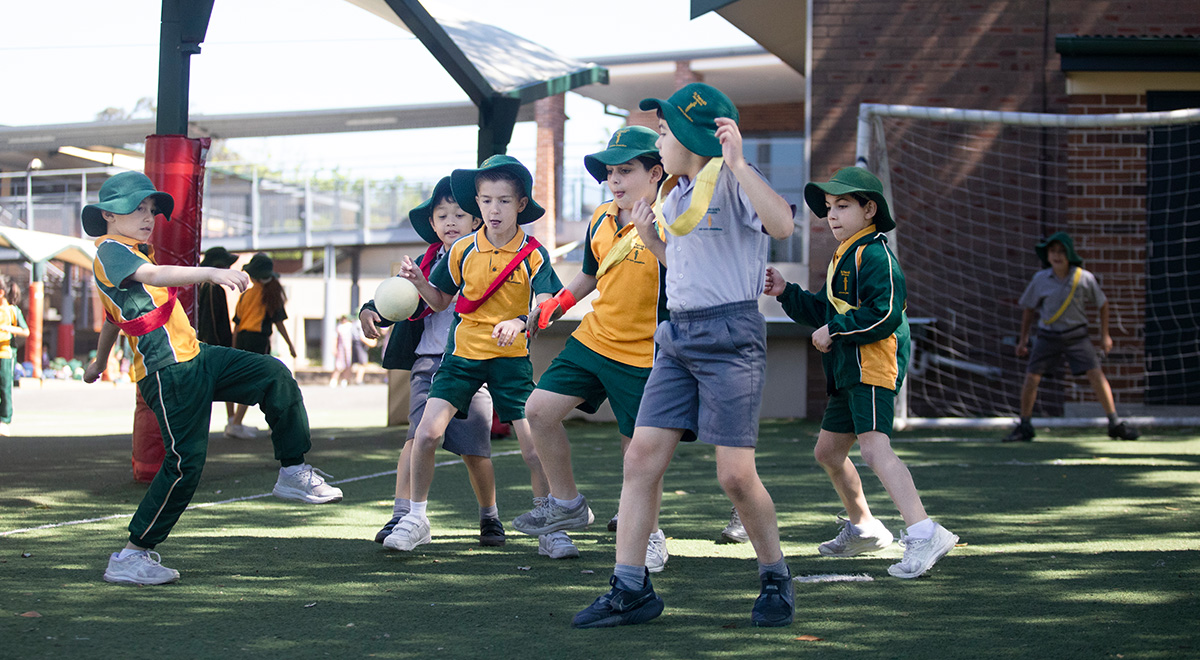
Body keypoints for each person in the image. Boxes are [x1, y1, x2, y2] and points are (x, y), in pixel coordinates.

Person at [572, 83, 796, 629]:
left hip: (731, 337)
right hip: (676, 336)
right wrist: (653, 243)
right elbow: (687, 268)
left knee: (735, 477)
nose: (659, 141)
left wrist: (739, 163)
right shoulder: (673, 196)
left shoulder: (734, 181)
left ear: (695, 137)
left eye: (666, 133)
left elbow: (784, 225)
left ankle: (775, 577)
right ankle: (630, 589)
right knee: (640, 458)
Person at [79, 171, 342, 586]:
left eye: (151, 209)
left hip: (197, 356)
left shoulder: (130, 254)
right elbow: (154, 278)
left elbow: (113, 320)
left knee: (274, 374)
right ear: (108, 215)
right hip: (168, 371)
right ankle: (132, 554)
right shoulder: (110, 251)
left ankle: (293, 471)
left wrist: (97, 364)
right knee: (186, 464)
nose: (148, 216)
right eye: (137, 208)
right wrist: (210, 273)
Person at [764, 166, 958, 579]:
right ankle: (866, 526)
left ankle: (925, 532)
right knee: (828, 452)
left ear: (870, 209)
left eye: (843, 205)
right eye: (829, 207)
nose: (831, 215)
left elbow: (885, 314)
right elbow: (824, 310)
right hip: (847, 370)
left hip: (872, 366)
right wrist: (786, 291)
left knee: (873, 449)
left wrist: (834, 329)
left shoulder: (875, 254)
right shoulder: (844, 254)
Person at [384, 156, 566, 556]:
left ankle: (550, 525)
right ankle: (416, 519)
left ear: (521, 204)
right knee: (426, 434)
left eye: (503, 201)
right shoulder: (462, 249)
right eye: (485, 201)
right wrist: (419, 282)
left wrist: (521, 321)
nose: (493, 210)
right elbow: (441, 299)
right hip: (462, 356)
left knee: (534, 448)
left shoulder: (534, 254)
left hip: (511, 358)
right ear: (478, 204)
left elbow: (548, 303)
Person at [511, 126, 671, 570]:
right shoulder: (601, 216)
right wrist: (544, 313)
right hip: (594, 339)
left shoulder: (674, 216)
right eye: (610, 173)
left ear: (655, 172)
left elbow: (688, 275)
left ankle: (651, 533)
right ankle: (568, 503)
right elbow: (586, 278)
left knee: (637, 451)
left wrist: (655, 235)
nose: (615, 181)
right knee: (539, 410)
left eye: (626, 170)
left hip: (647, 353)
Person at [360, 176, 508, 550]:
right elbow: (395, 297)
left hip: (472, 363)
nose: (450, 221)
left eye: (459, 214)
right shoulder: (426, 260)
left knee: (475, 450)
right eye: (442, 215)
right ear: (432, 224)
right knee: (416, 439)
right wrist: (369, 310)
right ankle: (402, 514)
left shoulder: (485, 256)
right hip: (429, 362)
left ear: (476, 220)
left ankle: (489, 516)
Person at [1004, 232, 1140, 442]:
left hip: (1076, 336)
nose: (1057, 256)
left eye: (1061, 251)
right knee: (1032, 376)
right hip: (1047, 336)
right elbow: (1029, 309)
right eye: (1052, 251)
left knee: (1096, 375)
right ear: (1047, 255)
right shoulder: (1040, 280)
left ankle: (1114, 422)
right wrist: (1023, 340)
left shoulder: (1084, 278)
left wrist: (1105, 336)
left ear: (1069, 255)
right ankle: (1024, 424)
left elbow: (1102, 304)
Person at [228, 252, 298, 439]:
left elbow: (237, 324)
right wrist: (290, 345)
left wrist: (233, 347)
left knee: (249, 382)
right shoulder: (270, 295)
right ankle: (237, 424)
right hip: (258, 341)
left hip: (242, 340)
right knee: (259, 383)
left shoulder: (246, 295)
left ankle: (236, 422)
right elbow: (279, 323)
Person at [194, 246, 240, 436]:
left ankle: (229, 422)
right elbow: (211, 321)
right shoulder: (213, 288)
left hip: (201, 345)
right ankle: (230, 422)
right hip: (213, 347)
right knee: (216, 387)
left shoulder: (199, 285)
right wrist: (218, 348)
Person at [0, 275, 29, 436]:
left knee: (5, 387)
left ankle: (4, 420)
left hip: (5, 353)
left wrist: (8, 328)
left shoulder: (12, 310)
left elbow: (25, 331)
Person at [330, 315, 355, 387]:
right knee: (338, 364)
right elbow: (335, 338)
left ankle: (345, 379)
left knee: (348, 363)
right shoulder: (339, 326)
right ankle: (334, 380)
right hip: (340, 347)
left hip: (349, 347)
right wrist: (334, 347)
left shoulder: (350, 326)